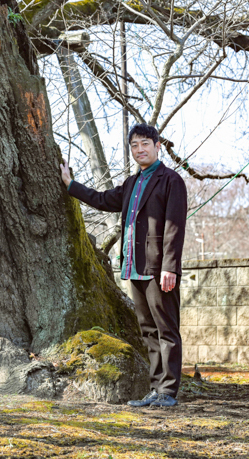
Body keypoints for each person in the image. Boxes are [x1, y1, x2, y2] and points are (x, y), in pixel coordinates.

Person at [60, 123, 187, 407]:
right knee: (148, 331)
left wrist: (170, 267)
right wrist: (71, 185)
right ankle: (155, 390)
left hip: (158, 269)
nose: (139, 149)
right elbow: (103, 200)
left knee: (166, 329)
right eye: (134, 145)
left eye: (145, 143)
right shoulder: (132, 183)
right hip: (133, 267)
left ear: (157, 146)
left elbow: (175, 226)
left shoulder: (171, 181)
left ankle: (168, 392)